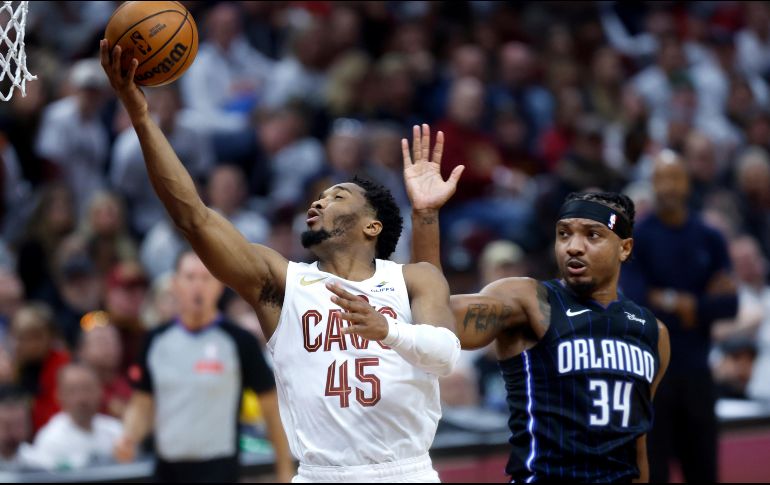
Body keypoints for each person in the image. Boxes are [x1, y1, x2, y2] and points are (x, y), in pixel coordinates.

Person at [101, 39, 460, 483]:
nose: (318, 203)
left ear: (372, 226)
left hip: (403, 473)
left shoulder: (414, 279)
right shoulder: (283, 283)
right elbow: (192, 216)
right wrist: (141, 117)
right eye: (318, 196)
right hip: (318, 475)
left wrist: (386, 329)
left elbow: (445, 356)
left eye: (336, 196)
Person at [403, 124, 670, 482]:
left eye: (592, 235)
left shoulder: (653, 332)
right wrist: (425, 215)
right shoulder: (529, 300)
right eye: (564, 234)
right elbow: (436, 319)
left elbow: (638, 447)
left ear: (625, 247)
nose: (573, 246)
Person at [113, 249, 293, 482]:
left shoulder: (240, 342)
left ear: (219, 286)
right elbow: (142, 403)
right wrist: (129, 436)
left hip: (220, 470)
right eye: (190, 277)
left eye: (206, 277)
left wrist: (284, 470)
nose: (198, 286)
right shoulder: (154, 341)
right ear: (176, 284)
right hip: (167, 471)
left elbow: (271, 409)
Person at [620, 150, 737, 482]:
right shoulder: (637, 238)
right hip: (652, 377)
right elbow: (638, 304)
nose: (669, 186)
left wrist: (684, 304)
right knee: (652, 474)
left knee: (703, 472)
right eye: (661, 178)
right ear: (652, 184)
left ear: (688, 183)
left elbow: (729, 305)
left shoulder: (710, 237)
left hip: (698, 372)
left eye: (676, 178)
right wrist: (692, 301)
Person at [21, 364, 122, 470]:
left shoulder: (116, 430)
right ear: (59, 396)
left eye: (87, 389)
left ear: (100, 391)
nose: (82, 398)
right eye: (73, 391)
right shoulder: (50, 439)